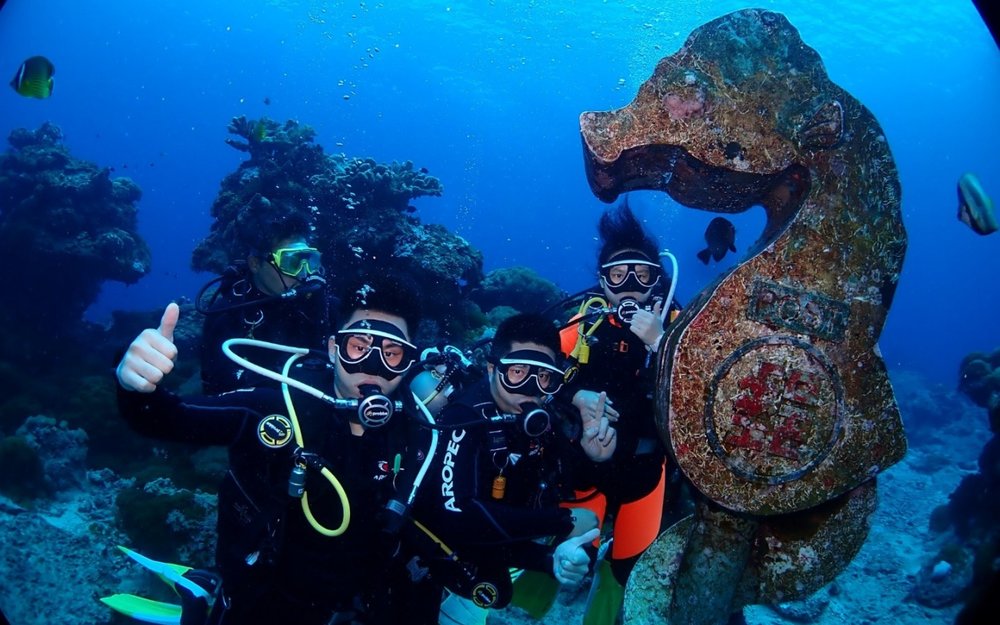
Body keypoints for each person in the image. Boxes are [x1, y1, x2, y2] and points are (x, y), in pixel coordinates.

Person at [114, 275, 439, 625]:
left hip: (361, 607)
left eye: (391, 353)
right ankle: (209, 597)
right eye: (359, 347)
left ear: (409, 362)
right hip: (265, 601)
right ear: (333, 349)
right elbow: (166, 420)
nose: (373, 367)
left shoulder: (420, 433)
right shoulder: (276, 407)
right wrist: (135, 385)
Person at [413, 313, 616, 624]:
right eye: (517, 372)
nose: (530, 388)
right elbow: (457, 518)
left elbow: (560, 481)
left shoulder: (542, 419)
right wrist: (562, 522)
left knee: (499, 589)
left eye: (543, 376)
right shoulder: (463, 417)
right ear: (493, 369)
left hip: (495, 543)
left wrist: (593, 456)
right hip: (433, 549)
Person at [559, 202, 680, 624]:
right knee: (566, 559)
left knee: (631, 569)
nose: (629, 286)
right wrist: (576, 397)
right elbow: (539, 379)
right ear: (602, 282)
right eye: (617, 275)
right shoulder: (585, 323)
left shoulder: (677, 324)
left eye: (641, 275)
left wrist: (661, 342)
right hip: (584, 466)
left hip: (646, 468)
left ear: (657, 280)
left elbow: (702, 392)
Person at [197, 214, 334, 394]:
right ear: (255, 264)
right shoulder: (229, 315)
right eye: (292, 262)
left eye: (308, 261)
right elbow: (220, 385)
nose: (303, 273)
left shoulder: (320, 304)